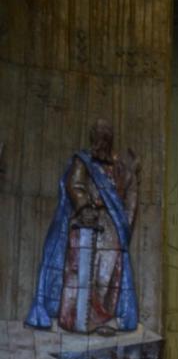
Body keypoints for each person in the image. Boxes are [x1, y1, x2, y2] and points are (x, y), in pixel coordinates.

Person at [26, 118, 139, 334]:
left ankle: (101, 318)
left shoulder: (116, 165)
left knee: (108, 271)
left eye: (107, 133)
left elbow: (126, 186)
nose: (103, 137)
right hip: (87, 221)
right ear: (93, 136)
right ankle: (75, 319)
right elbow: (74, 184)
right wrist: (84, 206)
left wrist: (133, 171)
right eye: (99, 133)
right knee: (80, 269)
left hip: (111, 222)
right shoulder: (83, 160)